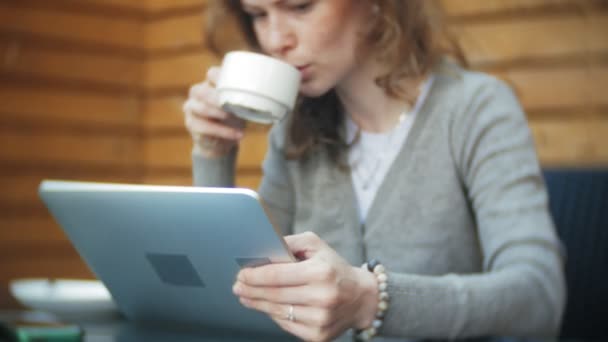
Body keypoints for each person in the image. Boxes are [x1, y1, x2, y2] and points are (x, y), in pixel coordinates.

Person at [182, 1, 566, 341]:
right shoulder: (296, 128)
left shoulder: (476, 109)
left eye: (301, 7)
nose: (275, 40)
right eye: (258, 15)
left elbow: (538, 296)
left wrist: (372, 299)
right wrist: (213, 153)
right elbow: (241, 287)